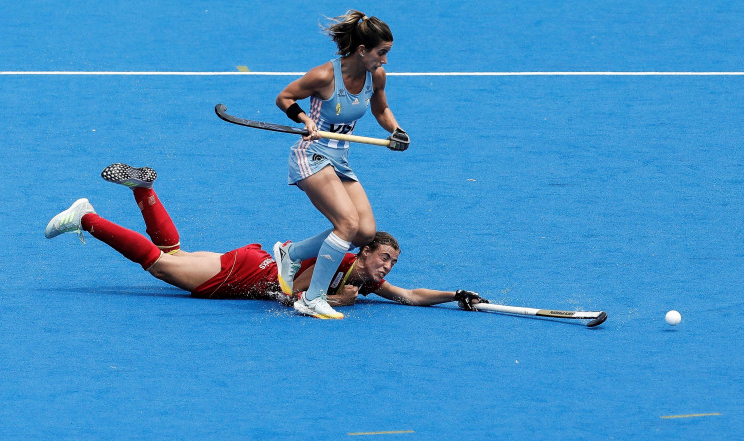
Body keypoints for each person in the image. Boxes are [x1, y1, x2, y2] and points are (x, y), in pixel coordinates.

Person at [44, 164, 487, 318]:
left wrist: (455, 295)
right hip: (247, 273)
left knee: (173, 254)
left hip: (249, 261)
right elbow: (293, 297)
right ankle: (87, 218)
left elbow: (409, 296)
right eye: (384, 258)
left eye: (391, 263)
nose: (387, 269)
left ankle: (144, 190)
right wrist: (342, 302)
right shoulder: (342, 264)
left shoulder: (365, 278)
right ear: (364, 251)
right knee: (163, 267)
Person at [273, 10, 410, 319]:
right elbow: (285, 97)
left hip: (339, 159)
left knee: (364, 232)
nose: (385, 60)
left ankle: (291, 253)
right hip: (311, 155)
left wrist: (396, 130)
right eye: (381, 53)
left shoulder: (376, 76)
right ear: (362, 50)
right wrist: (305, 119)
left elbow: (381, 108)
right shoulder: (324, 76)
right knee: (347, 224)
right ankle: (313, 298)